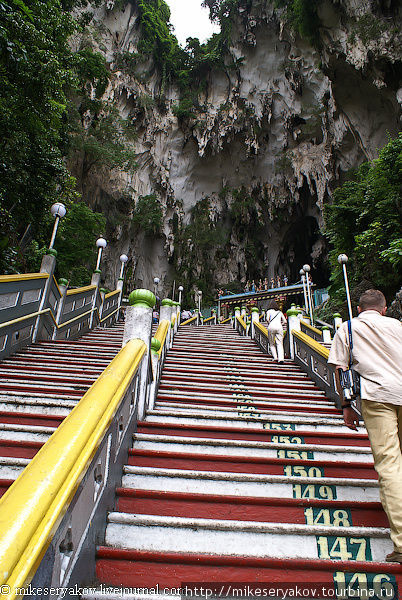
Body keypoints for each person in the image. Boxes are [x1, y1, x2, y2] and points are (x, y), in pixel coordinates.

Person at [328, 289, 402, 563]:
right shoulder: (397, 325)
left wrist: (346, 407)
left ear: (359, 309)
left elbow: (340, 368)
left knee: (390, 464)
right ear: (384, 309)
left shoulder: (348, 327)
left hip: (378, 397)